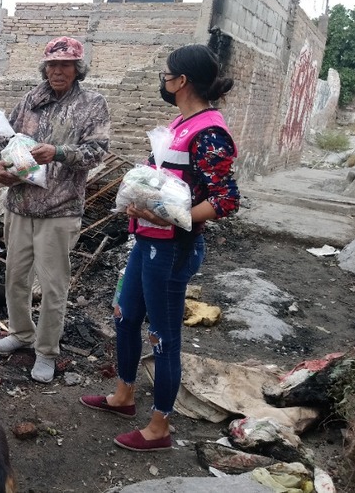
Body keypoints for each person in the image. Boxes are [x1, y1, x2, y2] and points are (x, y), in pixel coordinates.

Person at [78, 43, 240, 451]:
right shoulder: (182, 122)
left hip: (172, 250)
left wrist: (169, 218)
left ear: (182, 80)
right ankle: (124, 395)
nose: (163, 80)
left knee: (164, 338)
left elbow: (225, 201)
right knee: (125, 315)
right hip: (147, 242)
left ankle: (160, 427)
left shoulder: (210, 133)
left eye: (167, 74)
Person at [0, 36, 111, 383]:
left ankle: (46, 351)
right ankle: (21, 334)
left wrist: (58, 152)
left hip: (60, 209)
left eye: (65, 65)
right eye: (53, 65)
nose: (58, 71)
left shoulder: (91, 104)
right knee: (16, 278)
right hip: (20, 205)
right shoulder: (29, 101)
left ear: (77, 69)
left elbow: (98, 151)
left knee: (54, 286)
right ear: (45, 67)